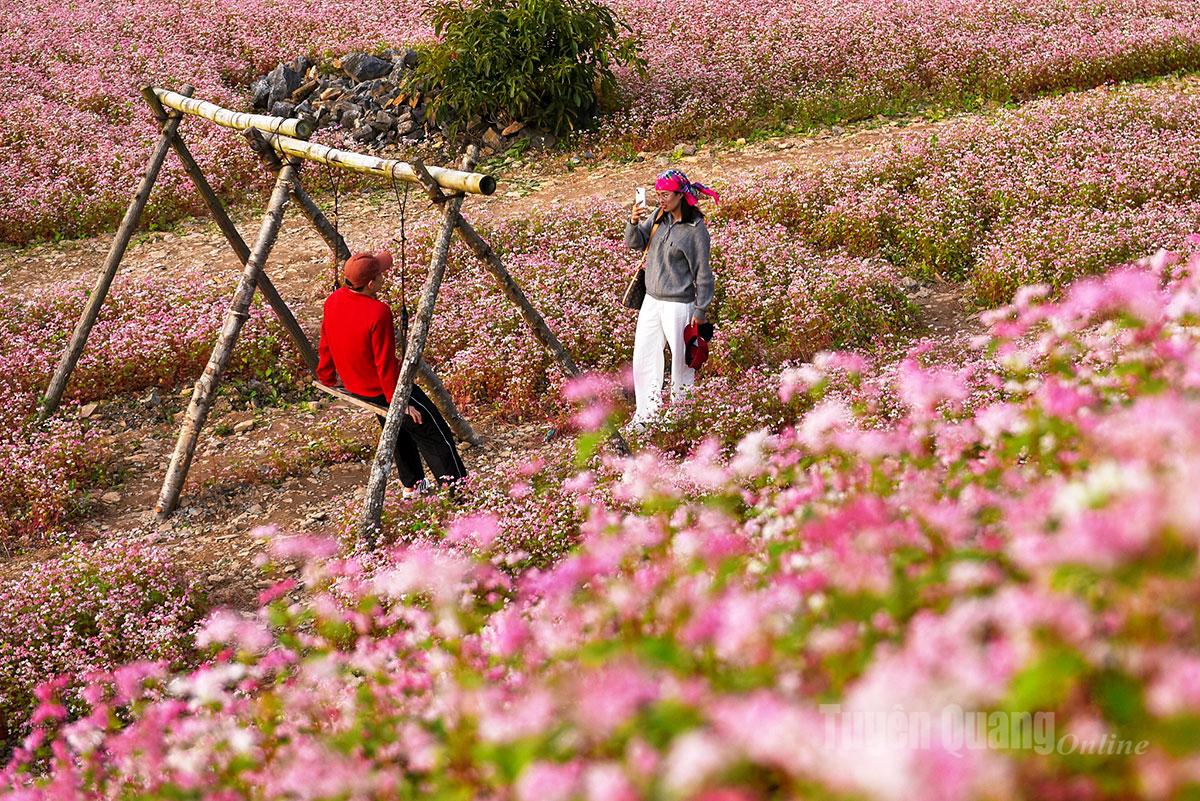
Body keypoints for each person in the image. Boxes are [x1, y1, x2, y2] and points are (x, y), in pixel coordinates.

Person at [316, 250, 466, 495]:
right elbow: (383, 363)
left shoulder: (333, 300)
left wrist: (326, 376)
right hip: (384, 388)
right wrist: (400, 402)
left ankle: (412, 486)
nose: (385, 276)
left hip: (358, 386)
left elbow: (325, 343)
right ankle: (459, 491)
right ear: (371, 283)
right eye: (381, 274)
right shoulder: (378, 311)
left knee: (396, 429)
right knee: (434, 433)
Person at [625, 169, 718, 424]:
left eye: (665, 194)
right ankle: (646, 414)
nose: (661, 199)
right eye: (658, 194)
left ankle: (681, 415)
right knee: (644, 356)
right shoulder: (658, 217)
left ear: (680, 195)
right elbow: (634, 243)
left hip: (679, 304)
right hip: (652, 300)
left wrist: (700, 312)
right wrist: (632, 222)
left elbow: (704, 275)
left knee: (681, 363)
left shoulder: (695, 230)